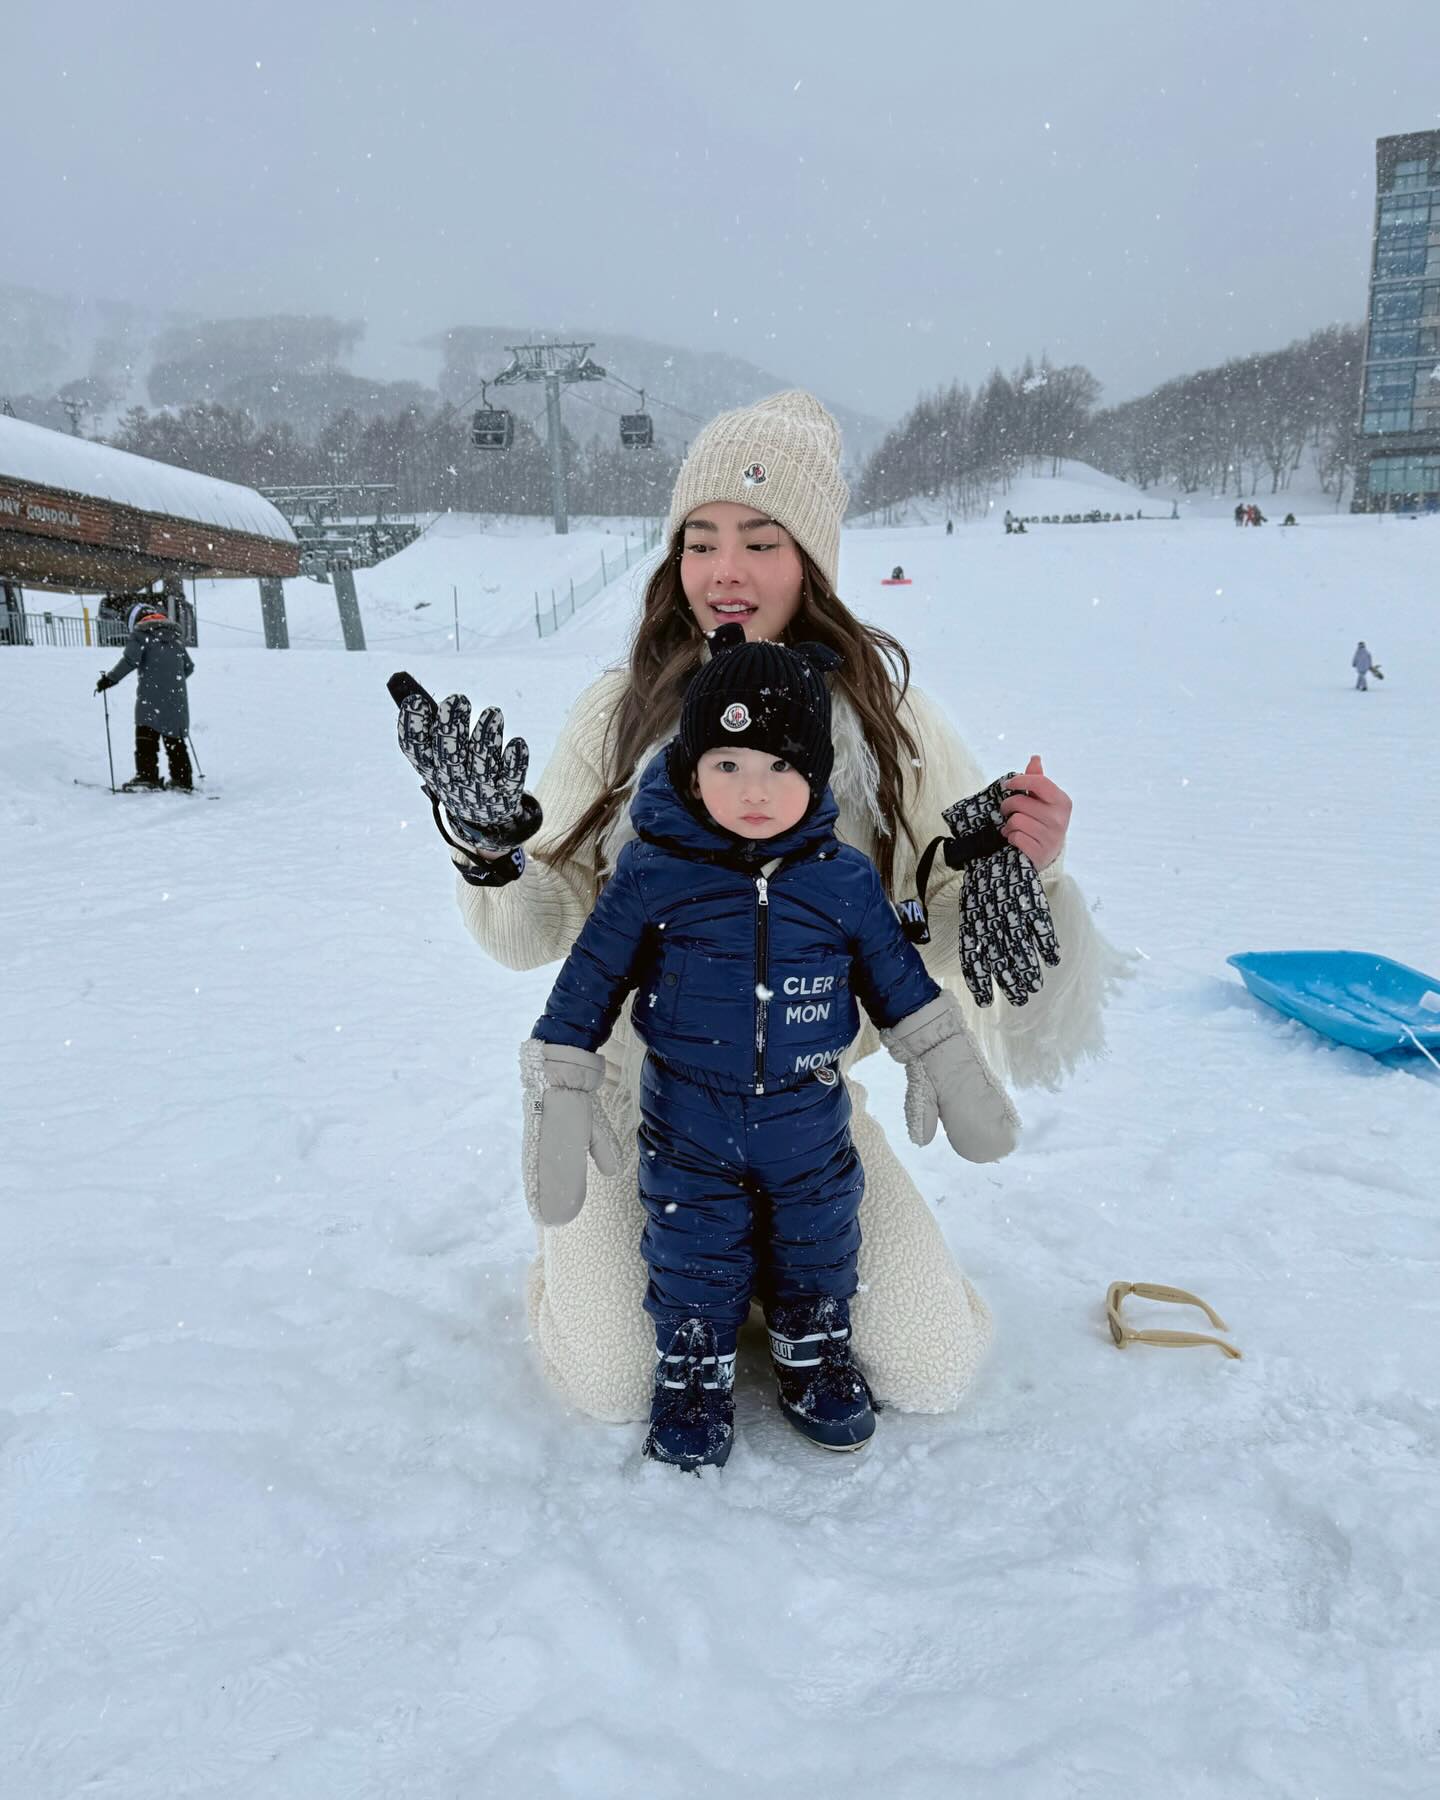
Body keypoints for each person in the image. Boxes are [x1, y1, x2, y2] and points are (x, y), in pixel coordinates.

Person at [393, 390, 1121, 1426]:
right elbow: (536, 934)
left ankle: (759, 1276)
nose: (723, 571)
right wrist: (491, 854)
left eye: (760, 541)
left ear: (812, 560)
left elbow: (941, 928)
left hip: (801, 1100)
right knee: (610, 1383)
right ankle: (606, 1267)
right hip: (629, 1090)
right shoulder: (620, 709)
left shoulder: (892, 722)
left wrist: (1024, 867)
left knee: (927, 1365)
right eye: (700, 541)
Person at [519, 628, 1020, 1469]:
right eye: (728, 765)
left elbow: (902, 988)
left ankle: (812, 1344)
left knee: (819, 1235)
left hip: (808, 1117)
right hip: (687, 1118)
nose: (756, 790)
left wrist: (943, 1059)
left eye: (781, 766)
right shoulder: (651, 875)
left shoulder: (844, 881)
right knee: (692, 1241)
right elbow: (588, 985)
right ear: (691, 768)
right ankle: (693, 1361)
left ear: (816, 773)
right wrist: (563, 1078)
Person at [95, 596, 195, 791]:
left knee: (146, 735)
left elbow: (130, 661)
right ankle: (182, 780)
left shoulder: (141, 635)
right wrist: (170, 679)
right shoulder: (175, 638)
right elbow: (188, 667)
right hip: (176, 697)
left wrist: (110, 679)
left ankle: (147, 776)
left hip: (151, 697)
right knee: (175, 739)